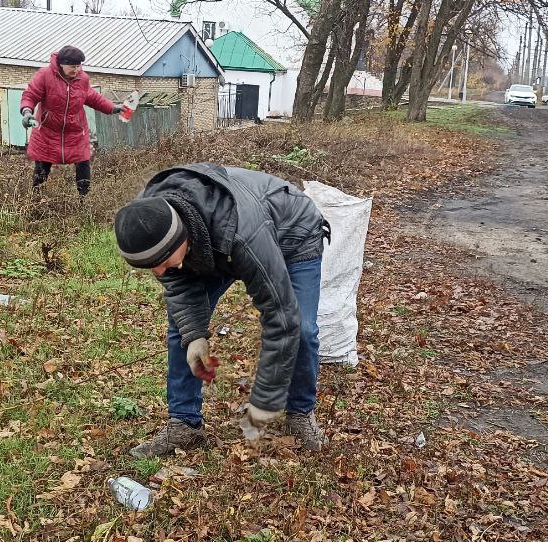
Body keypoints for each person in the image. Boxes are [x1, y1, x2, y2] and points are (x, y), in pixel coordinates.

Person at [113, 164, 330, 458]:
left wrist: (264, 402)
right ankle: (184, 424)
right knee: (181, 329)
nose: (159, 272)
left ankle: (299, 413)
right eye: (150, 266)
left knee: (301, 328)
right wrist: (194, 337)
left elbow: (281, 318)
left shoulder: (244, 232)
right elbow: (177, 283)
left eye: (162, 262)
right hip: (213, 245)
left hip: (291, 232)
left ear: (181, 238)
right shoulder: (150, 220)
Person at [20, 46, 117, 198]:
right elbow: (30, 95)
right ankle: (34, 200)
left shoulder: (83, 79)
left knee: (83, 163)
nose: (76, 70)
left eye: (78, 66)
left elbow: (92, 97)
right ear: (61, 64)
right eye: (73, 67)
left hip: (75, 130)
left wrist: (112, 108)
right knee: (42, 168)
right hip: (48, 131)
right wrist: (27, 112)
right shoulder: (45, 75)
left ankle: (84, 200)